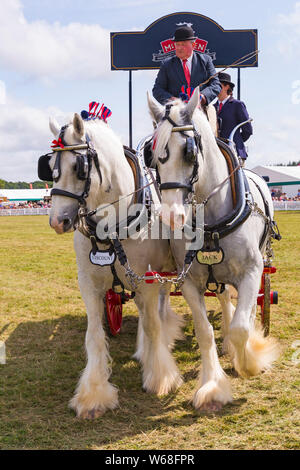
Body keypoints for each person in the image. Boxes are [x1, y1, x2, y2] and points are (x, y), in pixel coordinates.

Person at [152, 25, 221, 106]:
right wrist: (171, 99)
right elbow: (157, 89)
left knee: (213, 117)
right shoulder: (166, 64)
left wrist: (202, 97)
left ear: (193, 45)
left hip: (201, 110)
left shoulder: (206, 61)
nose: (179, 48)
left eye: (183, 44)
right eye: (177, 44)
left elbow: (216, 85)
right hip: (176, 112)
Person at [214, 72, 253, 166]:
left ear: (227, 86)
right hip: (216, 154)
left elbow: (247, 130)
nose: (214, 89)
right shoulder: (211, 107)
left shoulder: (237, 105)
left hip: (235, 154)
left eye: (217, 85)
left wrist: (236, 140)